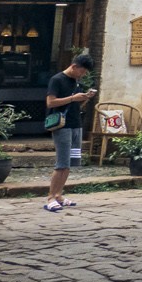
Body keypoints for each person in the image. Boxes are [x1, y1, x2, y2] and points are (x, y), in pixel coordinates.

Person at [43, 52, 96, 213]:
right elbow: (50, 102)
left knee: (70, 163)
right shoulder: (57, 80)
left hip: (75, 124)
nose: (83, 74)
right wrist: (73, 98)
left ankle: (59, 194)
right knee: (61, 163)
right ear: (74, 66)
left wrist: (85, 97)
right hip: (61, 126)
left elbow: (75, 106)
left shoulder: (76, 82)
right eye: (82, 71)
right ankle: (50, 197)